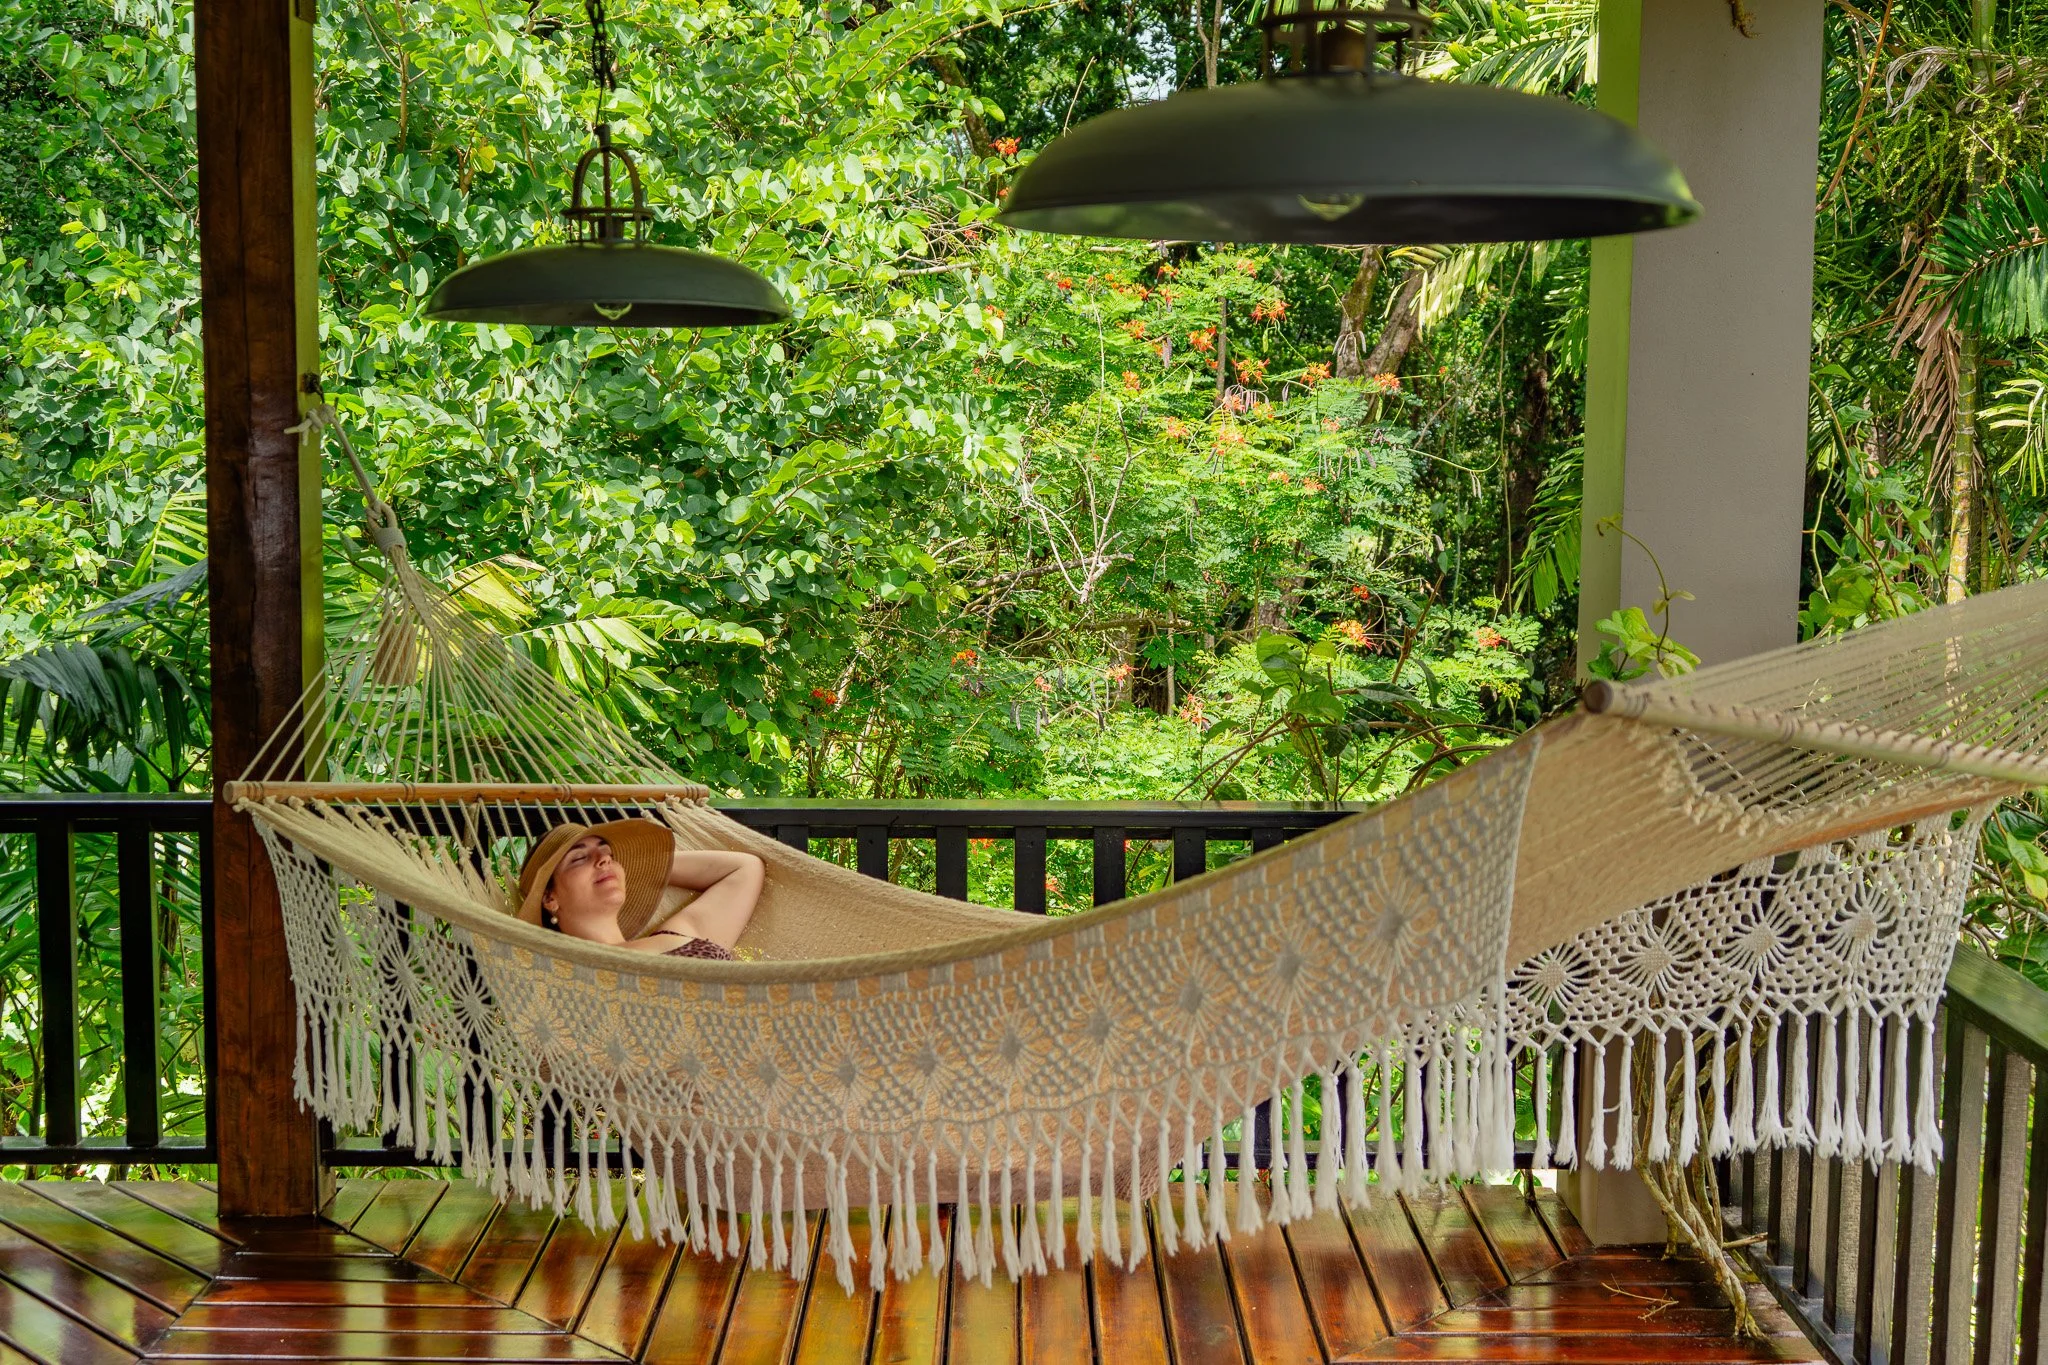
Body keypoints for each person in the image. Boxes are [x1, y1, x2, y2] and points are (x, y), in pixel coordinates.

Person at [515, 818, 762, 960]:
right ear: (549, 898)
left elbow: (745, 869)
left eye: (609, 855)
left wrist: (638, 868)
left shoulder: (679, 934)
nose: (604, 859)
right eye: (579, 858)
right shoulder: (567, 979)